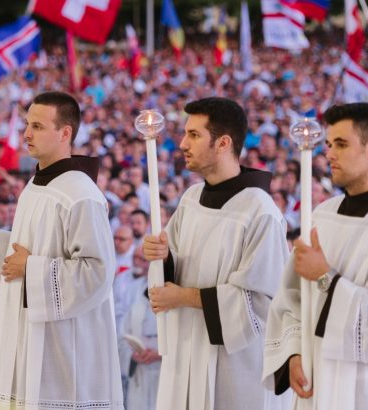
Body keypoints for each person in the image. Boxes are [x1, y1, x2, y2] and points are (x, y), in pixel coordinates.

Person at [0, 91, 123, 409]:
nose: (26, 133)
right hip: (26, 332)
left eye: (37, 126)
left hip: (61, 347)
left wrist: (32, 267)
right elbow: (39, 246)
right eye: (26, 124)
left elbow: (98, 272)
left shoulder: (81, 194)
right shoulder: (38, 184)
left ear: (65, 133)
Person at [263, 103, 368, 409]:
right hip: (317, 383)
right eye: (328, 144)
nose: (330, 154)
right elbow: (291, 300)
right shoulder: (321, 216)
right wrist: (294, 352)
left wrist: (325, 277)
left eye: (341, 144)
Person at [143, 97, 289, 409]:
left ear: (222, 143)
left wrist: (182, 297)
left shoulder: (260, 212)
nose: (182, 143)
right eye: (185, 134)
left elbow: (262, 303)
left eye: (194, 135)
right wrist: (164, 257)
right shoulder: (191, 198)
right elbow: (177, 266)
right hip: (186, 355)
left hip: (236, 369)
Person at [119, 246, 160, 410]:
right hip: (139, 375)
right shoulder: (135, 295)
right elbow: (121, 338)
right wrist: (132, 356)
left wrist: (160, 354)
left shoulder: (176, 302)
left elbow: (187, 341)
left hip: (165, 375)